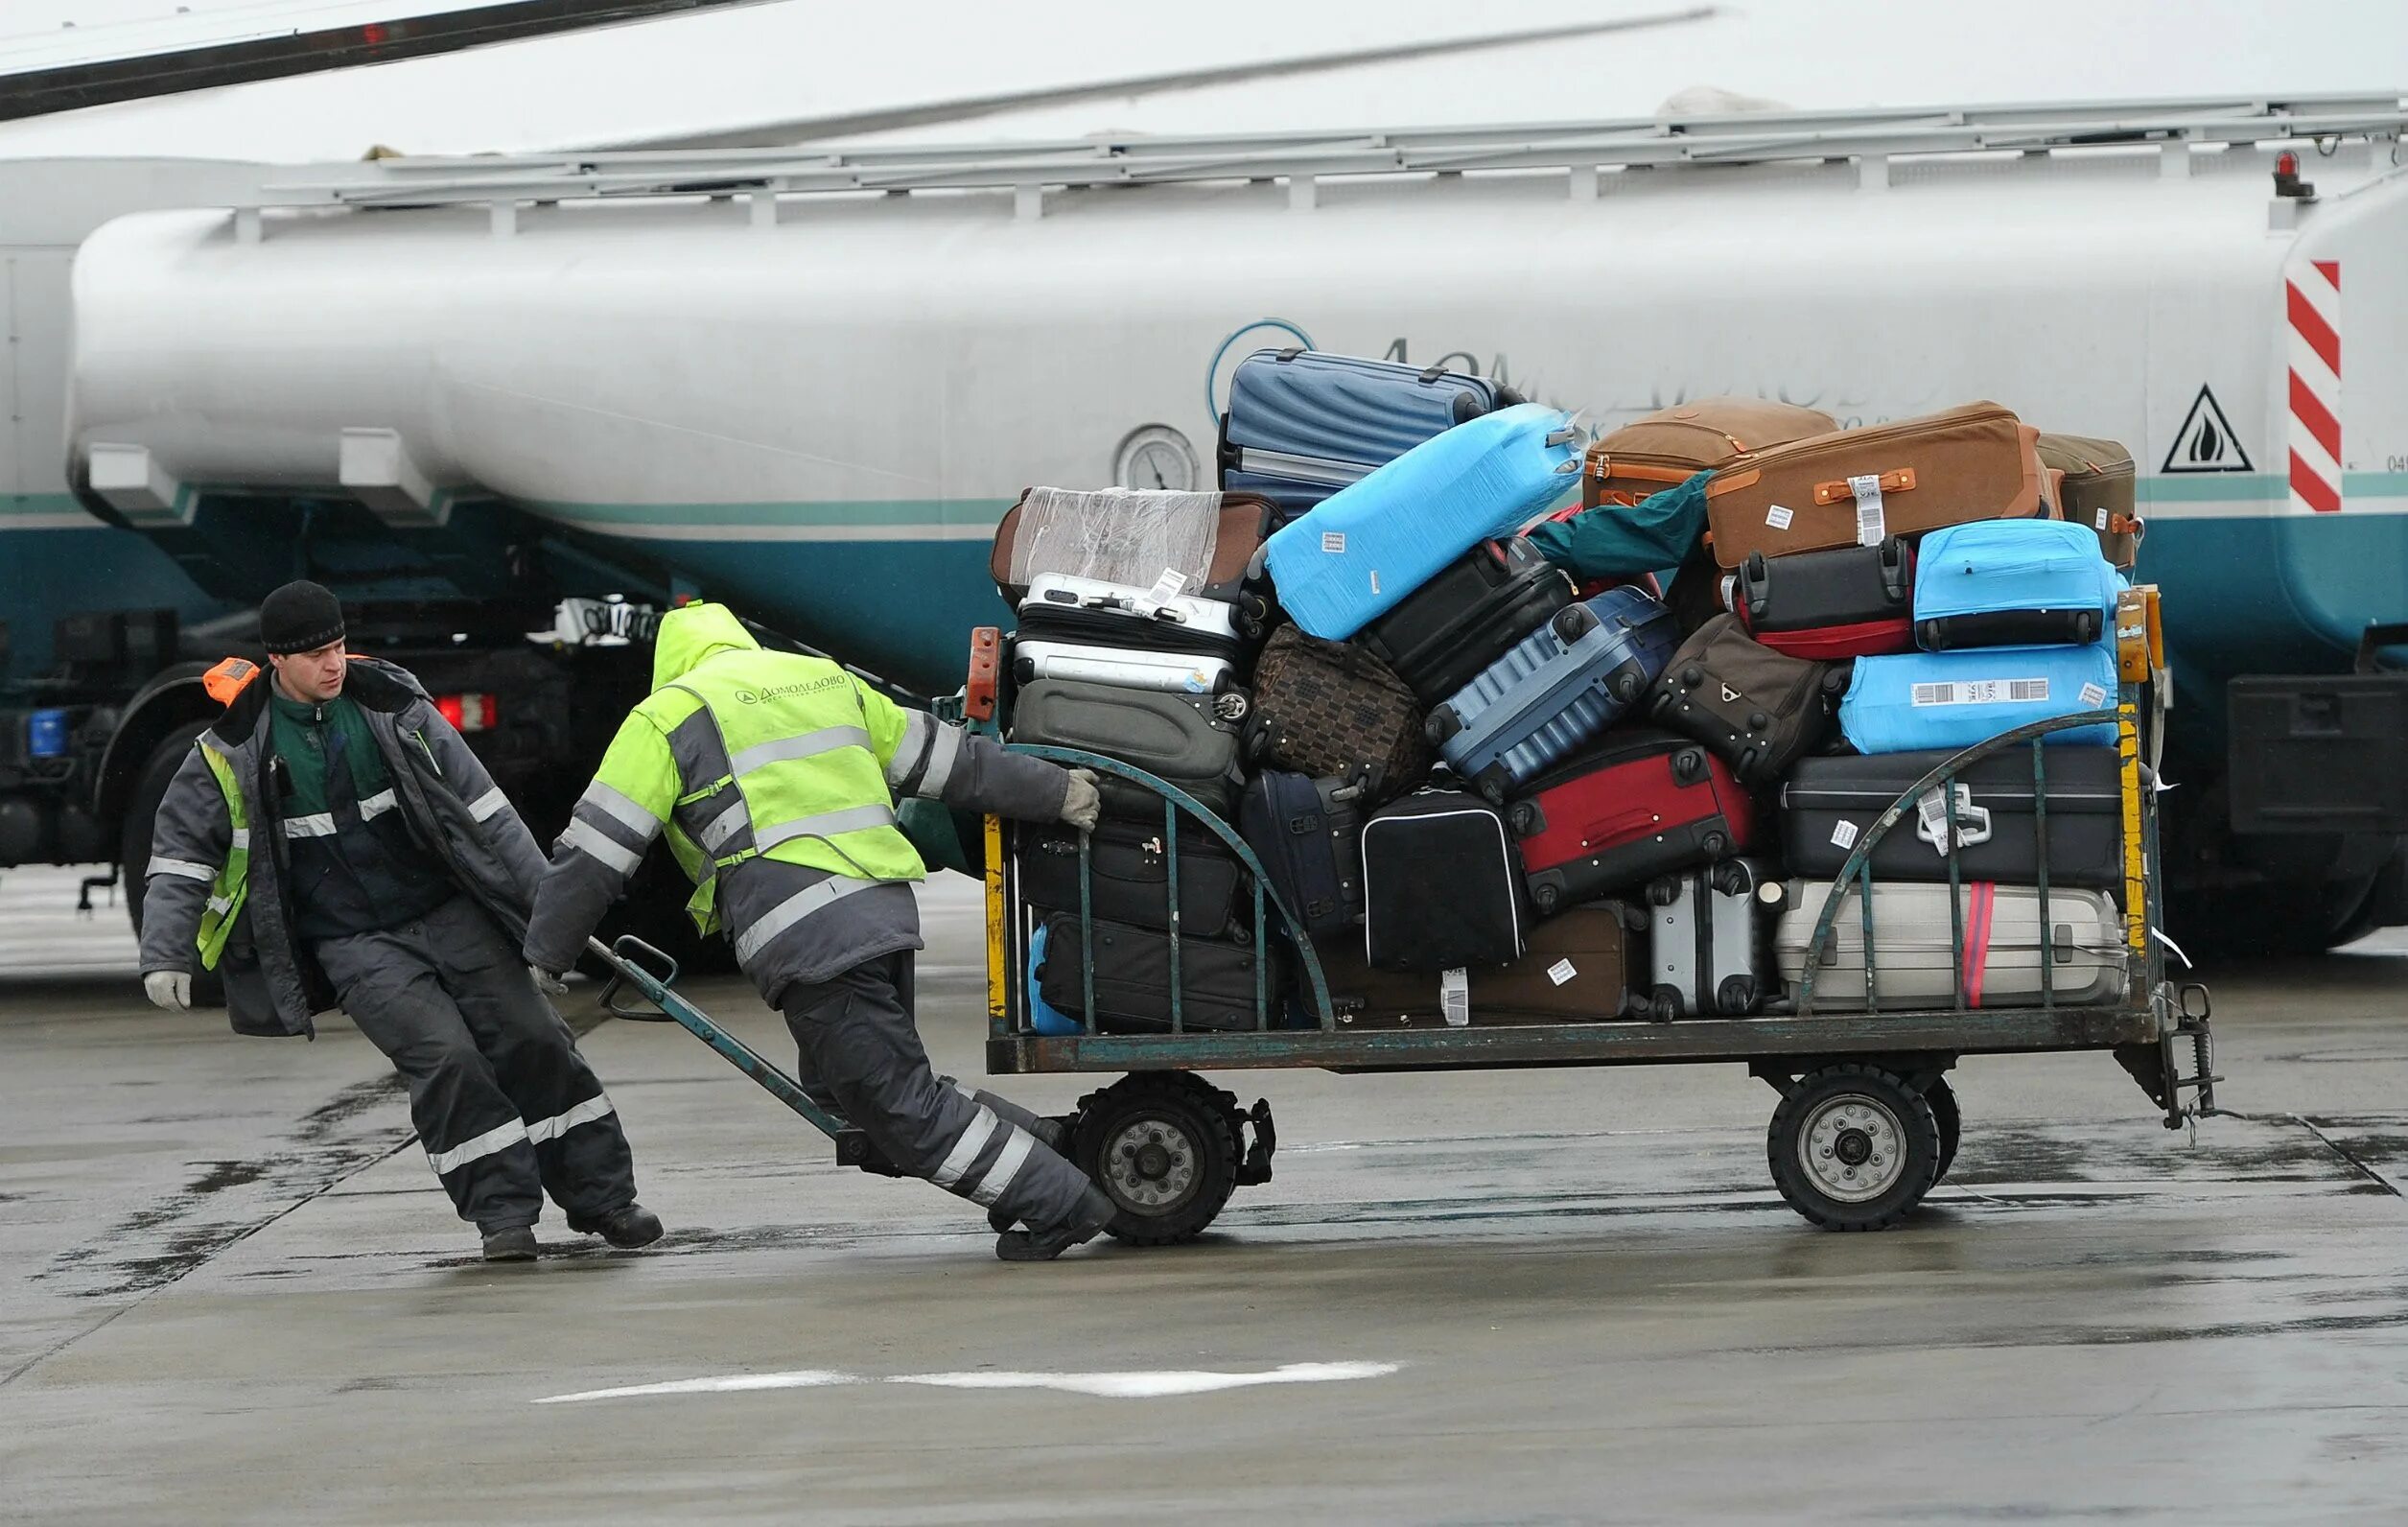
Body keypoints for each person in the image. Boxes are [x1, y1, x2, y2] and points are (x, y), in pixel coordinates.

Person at [522, 601, 1115, 1262]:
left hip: (809, 934)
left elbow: (596, 848)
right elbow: (951, 761)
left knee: (897, 1108)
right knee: (855, 1097)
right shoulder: (821, 678)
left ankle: (1058, 1202)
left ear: (672, 661)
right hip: (880, 917)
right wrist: (1055, 791)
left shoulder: (669, 715)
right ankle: (1046, 1148)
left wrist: (548, 947)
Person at [138, 580, 660, 1263]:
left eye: (339, 647)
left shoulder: (394, 708)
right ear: (277, 661)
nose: (334, 664)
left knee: (535, 1040)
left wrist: (548, 920)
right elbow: (179, 856)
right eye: (317, 654)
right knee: (448, 1061)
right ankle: (503, 1218)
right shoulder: (231, 747)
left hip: (449, 913)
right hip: (354, 944)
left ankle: (606, 1202)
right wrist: (164, 953)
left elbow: (489, 815)